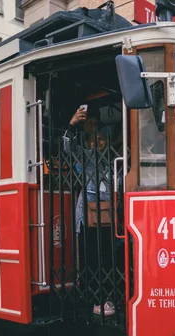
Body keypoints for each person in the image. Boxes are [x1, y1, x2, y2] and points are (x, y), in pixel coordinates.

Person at [66, 105, 115, 317]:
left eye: (101, 139)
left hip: (109, 215)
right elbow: (68, 148)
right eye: (93, 139)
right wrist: (72, 124)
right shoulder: (84, 157)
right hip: (88, 214)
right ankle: (95, 298)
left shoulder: (113, 161)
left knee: (109, 257)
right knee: (91, 257)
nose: (97, 142)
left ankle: (109, 297)